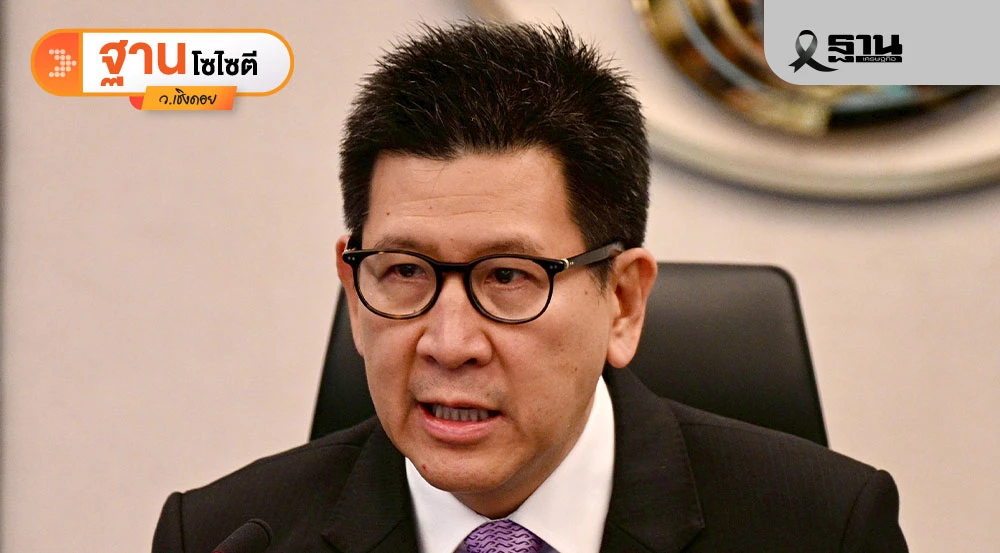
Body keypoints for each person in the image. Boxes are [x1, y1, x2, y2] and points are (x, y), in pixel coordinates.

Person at [152, 21, 908, 553]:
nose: (450, 343)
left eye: (509, 276)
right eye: (405, 271)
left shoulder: (824, 529)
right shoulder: (224, 536)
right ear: (353, 290)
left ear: (623, 302)